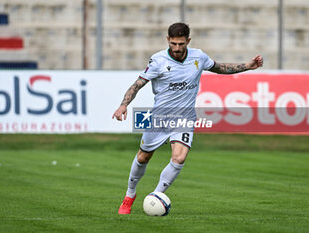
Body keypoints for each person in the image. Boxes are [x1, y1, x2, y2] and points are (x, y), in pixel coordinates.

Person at [112, 22, 263, 214]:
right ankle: (129, 195)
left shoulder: (198, 57)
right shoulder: (158, 61)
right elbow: (137, 84)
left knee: (179, 157)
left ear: (188, 41)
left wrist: (247, 66)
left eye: (181, 44)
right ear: (168, 40)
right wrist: (124, 105)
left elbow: (220, 67)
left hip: (185, 117)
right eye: (173, 43)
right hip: (159, 117)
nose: (176, 48)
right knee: (143, 157)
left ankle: (155, 196)